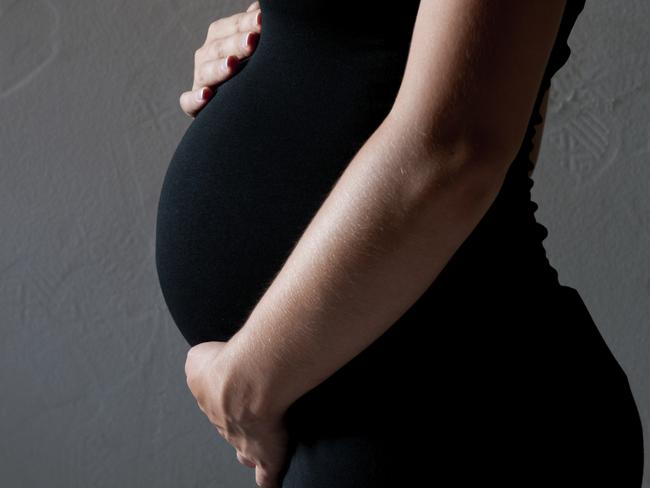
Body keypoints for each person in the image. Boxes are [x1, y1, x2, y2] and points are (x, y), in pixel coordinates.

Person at [156, 1, 645, 486]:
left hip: (453, 405)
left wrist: (244, 385)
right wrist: (276, 38)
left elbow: (458, 147)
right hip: (363, 401)